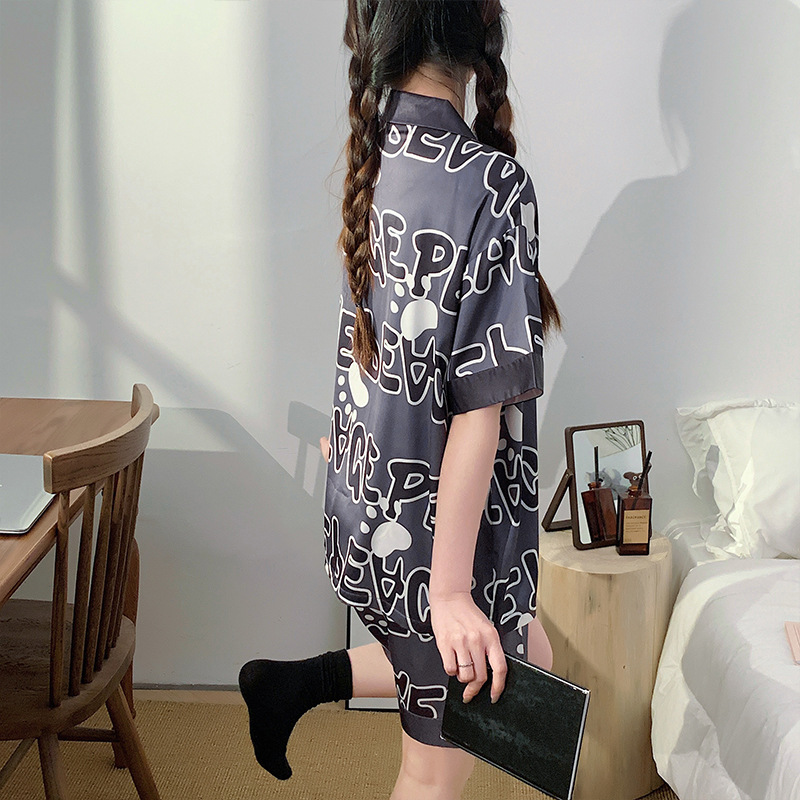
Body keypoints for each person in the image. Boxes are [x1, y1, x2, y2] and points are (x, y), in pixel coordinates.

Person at [239, 2, 562, 798]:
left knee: (533, 659)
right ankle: (299, 683)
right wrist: (450, 593)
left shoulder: (378, 154)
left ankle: (296, 683)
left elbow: (380, 340)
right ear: (479, 35)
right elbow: (478, 410)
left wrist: (357, 438)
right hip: (438, 546)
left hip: (370, 514)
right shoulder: (493, 185)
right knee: (431, 776)